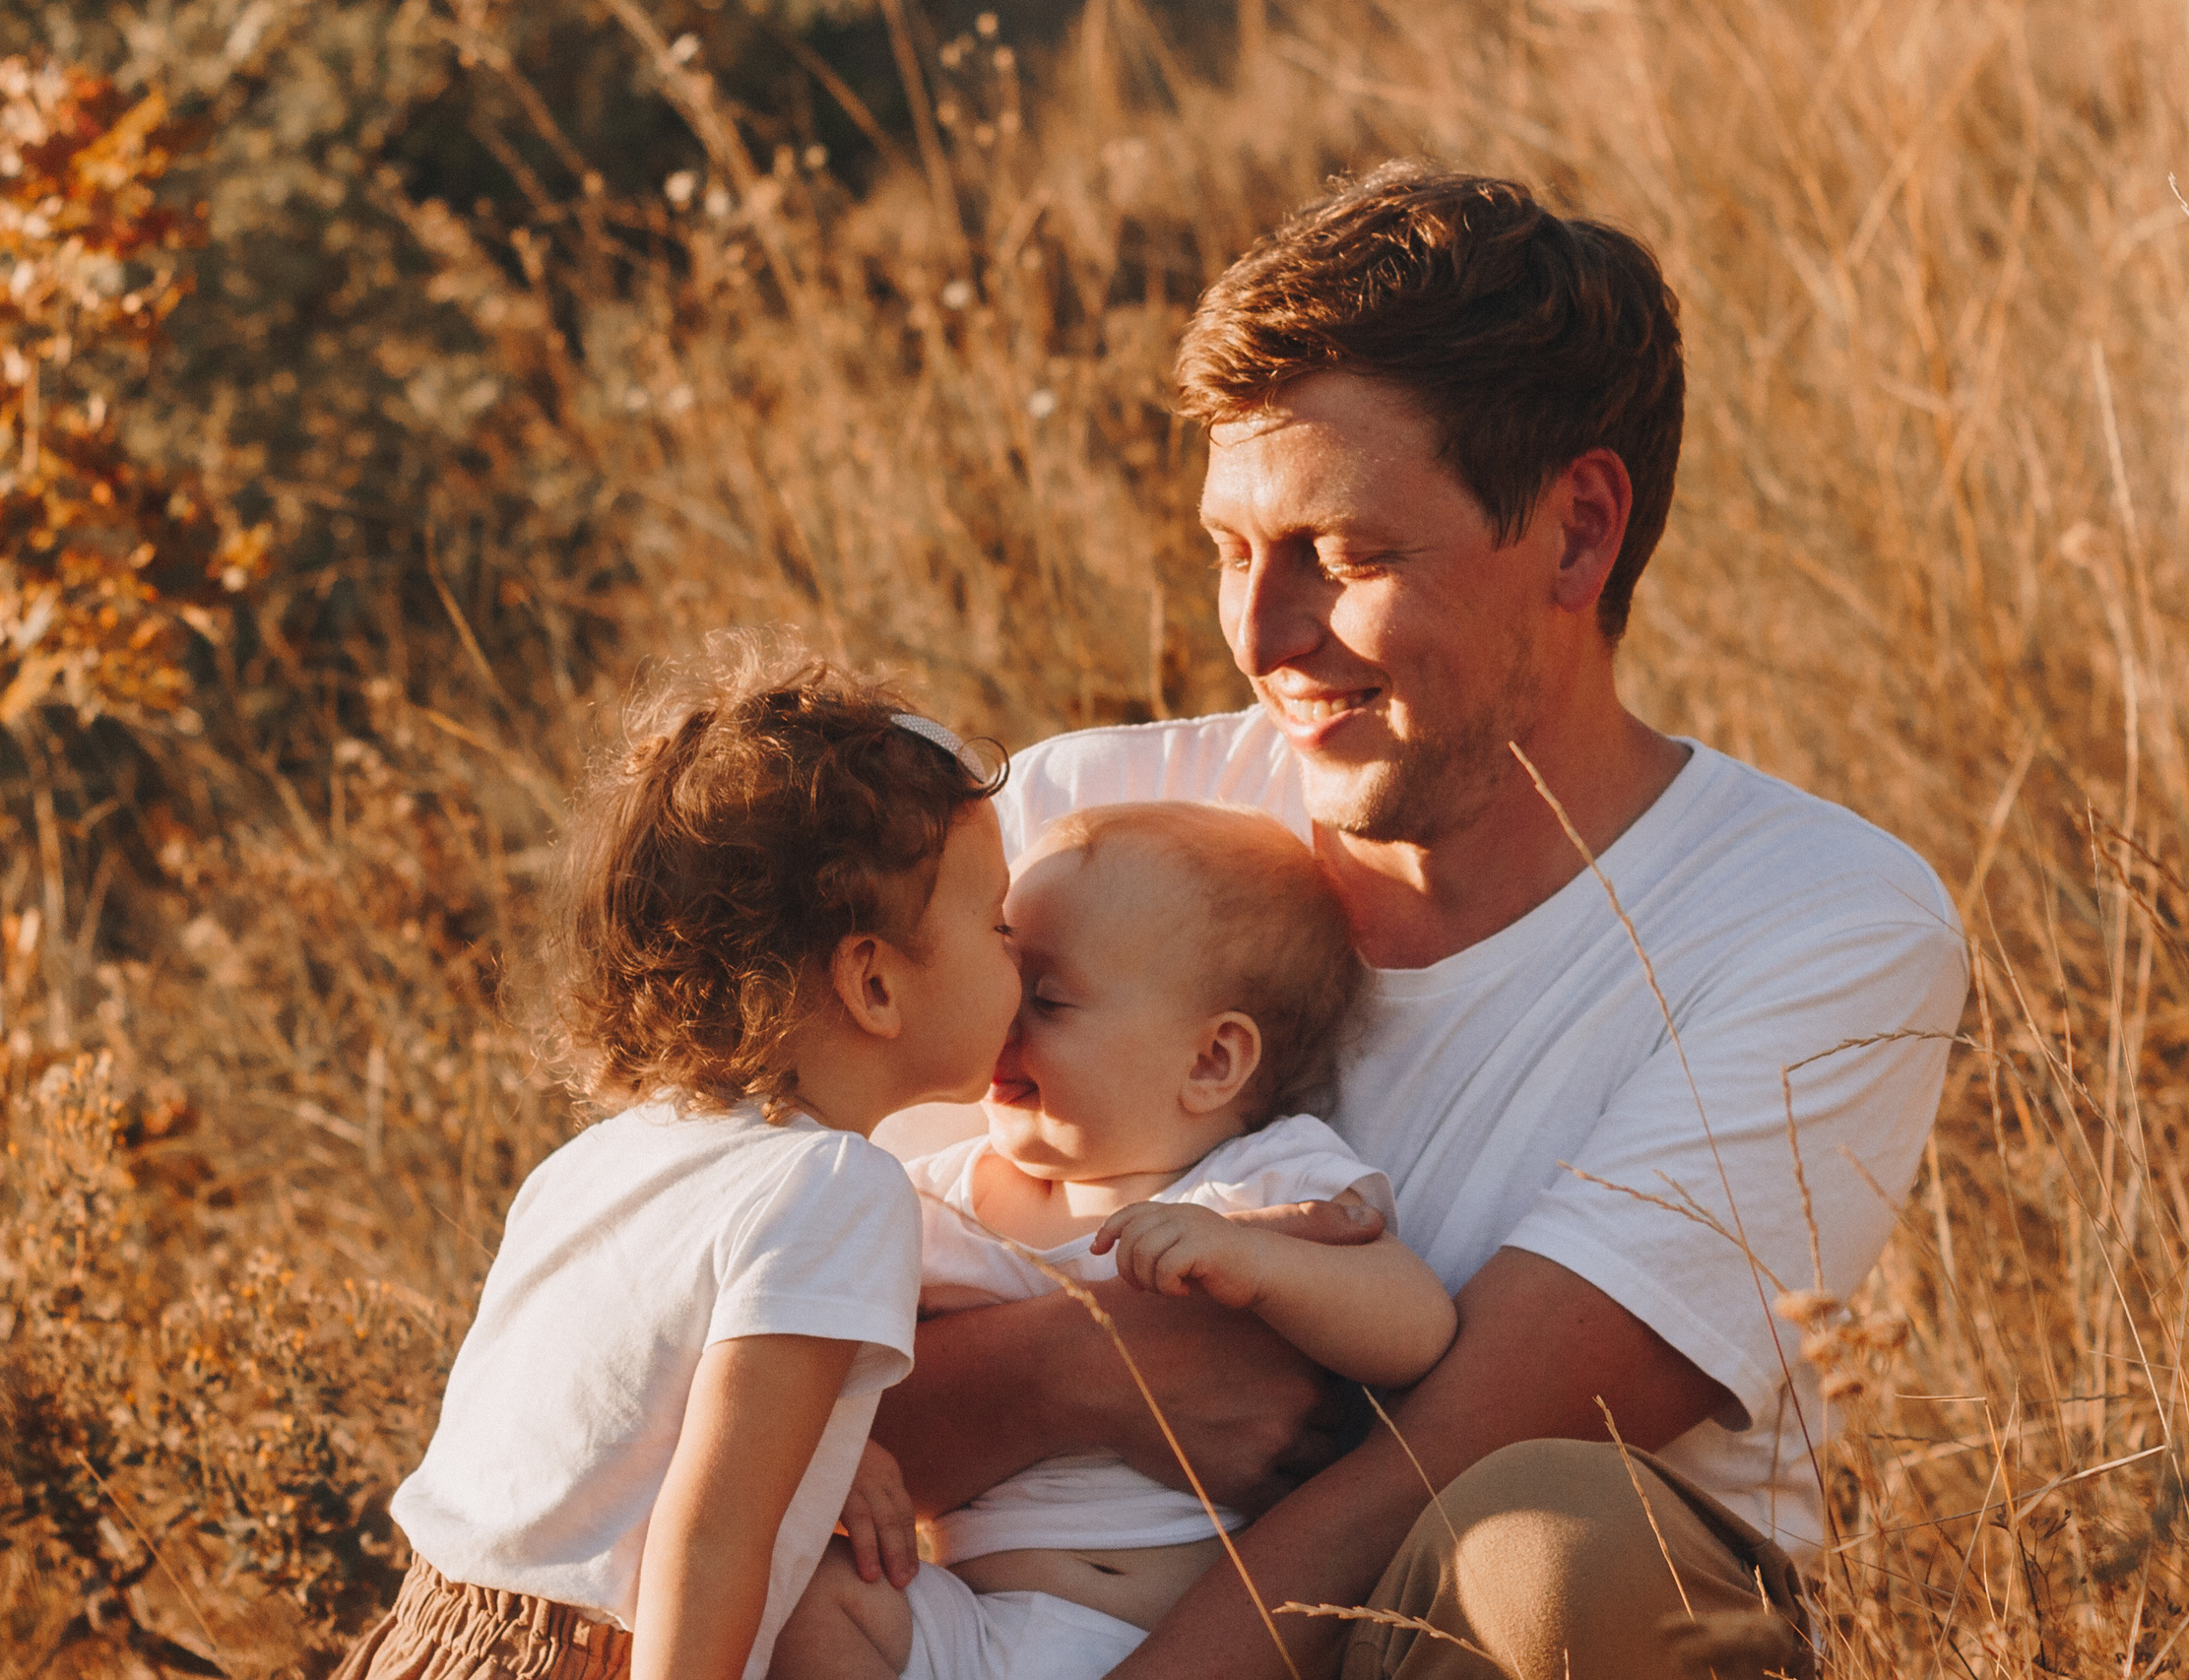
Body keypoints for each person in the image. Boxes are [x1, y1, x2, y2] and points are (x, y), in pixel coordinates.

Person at [869, 163, 1970, 1679]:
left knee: (1554, 1546)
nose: (1264, 636)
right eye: (1231, 549)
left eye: (1348, 555)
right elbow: (746, 1361)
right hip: (1003, 1634)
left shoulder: (1812, 921)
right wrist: (1087, 1367)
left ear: (1579, 533)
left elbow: (1460, 1448)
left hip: (1443, 1640)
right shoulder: (1071, 832)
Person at [334, 644, 1022, 1680]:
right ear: (873, 984)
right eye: (998, 923)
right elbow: (708, 1543)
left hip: (428, 1632)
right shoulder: (839, 1185)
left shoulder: (606, 1155)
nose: (1023, 954)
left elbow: (603, 1418)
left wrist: (827, 1446)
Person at [773, 801, 1455, 1680]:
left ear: (1211, 1062)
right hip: (956, 1625)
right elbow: (808, 1362)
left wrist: (1260, 1262)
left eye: (1049, 1000)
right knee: (804, 1596)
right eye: (1005, 978)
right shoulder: (927, 1201)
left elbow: (1419, 1328)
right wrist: (844, 1443)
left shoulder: (1259, 1183)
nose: (1004, 1020)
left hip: (1167, 1640)